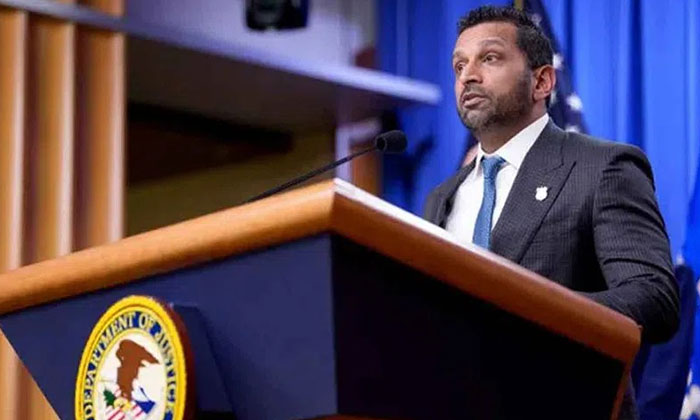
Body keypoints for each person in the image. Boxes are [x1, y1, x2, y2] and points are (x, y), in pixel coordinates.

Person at [423, 6, 680, 419]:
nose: (468, 75)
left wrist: (529, 315)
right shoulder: (442, 198)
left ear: (542, 81)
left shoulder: (602, 167)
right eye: (459, 65)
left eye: (489, 58)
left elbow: (653, 298)